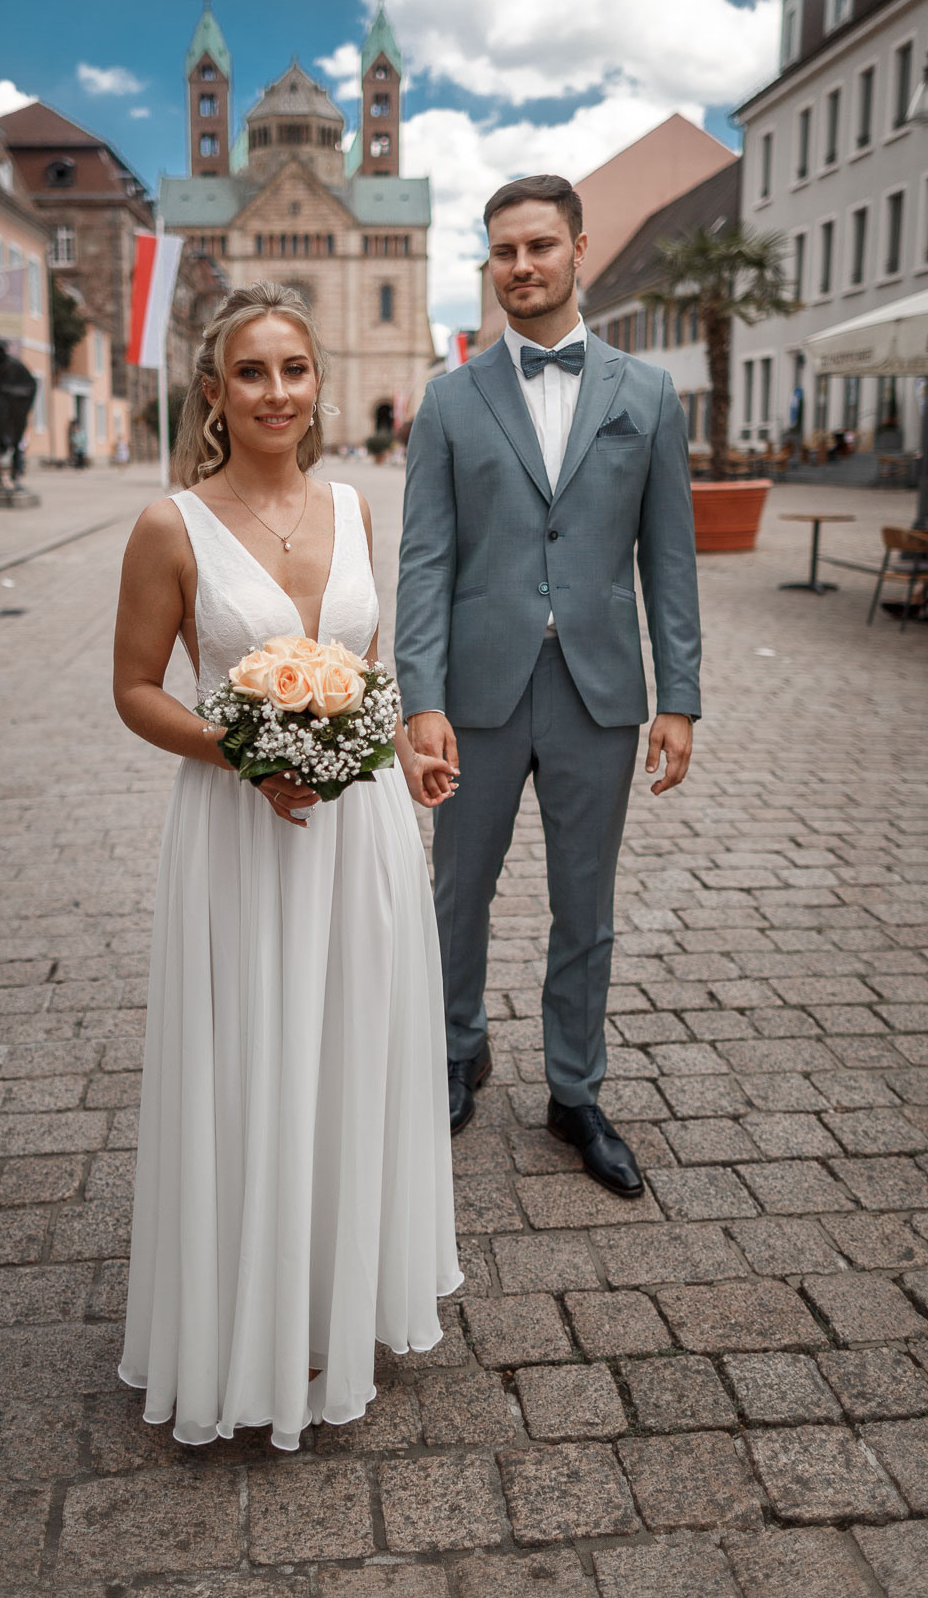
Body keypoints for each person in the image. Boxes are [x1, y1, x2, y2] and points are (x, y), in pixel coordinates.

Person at [112, 281, 461, 1450]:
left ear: (318, 386)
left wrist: (409, 741)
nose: (275, 392)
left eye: (293, 371)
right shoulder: (171, 525)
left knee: (351, 1050)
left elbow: (370, 663)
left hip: (359, 829)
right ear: (214, 391)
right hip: (241, 829)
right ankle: (243, 1318)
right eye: (250, 372)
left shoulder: (357, 506)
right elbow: (134, 691)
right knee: (255, 1053)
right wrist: (245, 748)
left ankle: (333, 1292)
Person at [396, 176, 702, 1198]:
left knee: (585, 904)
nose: (518, 266)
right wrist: (419, 698)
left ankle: (575, 1092)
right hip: (473, 693)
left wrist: (680, 698)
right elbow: (424, 563)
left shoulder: (646, 396)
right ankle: (455, 1047)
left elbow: (668, 560)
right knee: (456, 892)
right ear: (486, 266)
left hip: (597, 693)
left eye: (537, 246)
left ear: (579, 249)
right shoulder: (446, 400)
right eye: (500, 252)